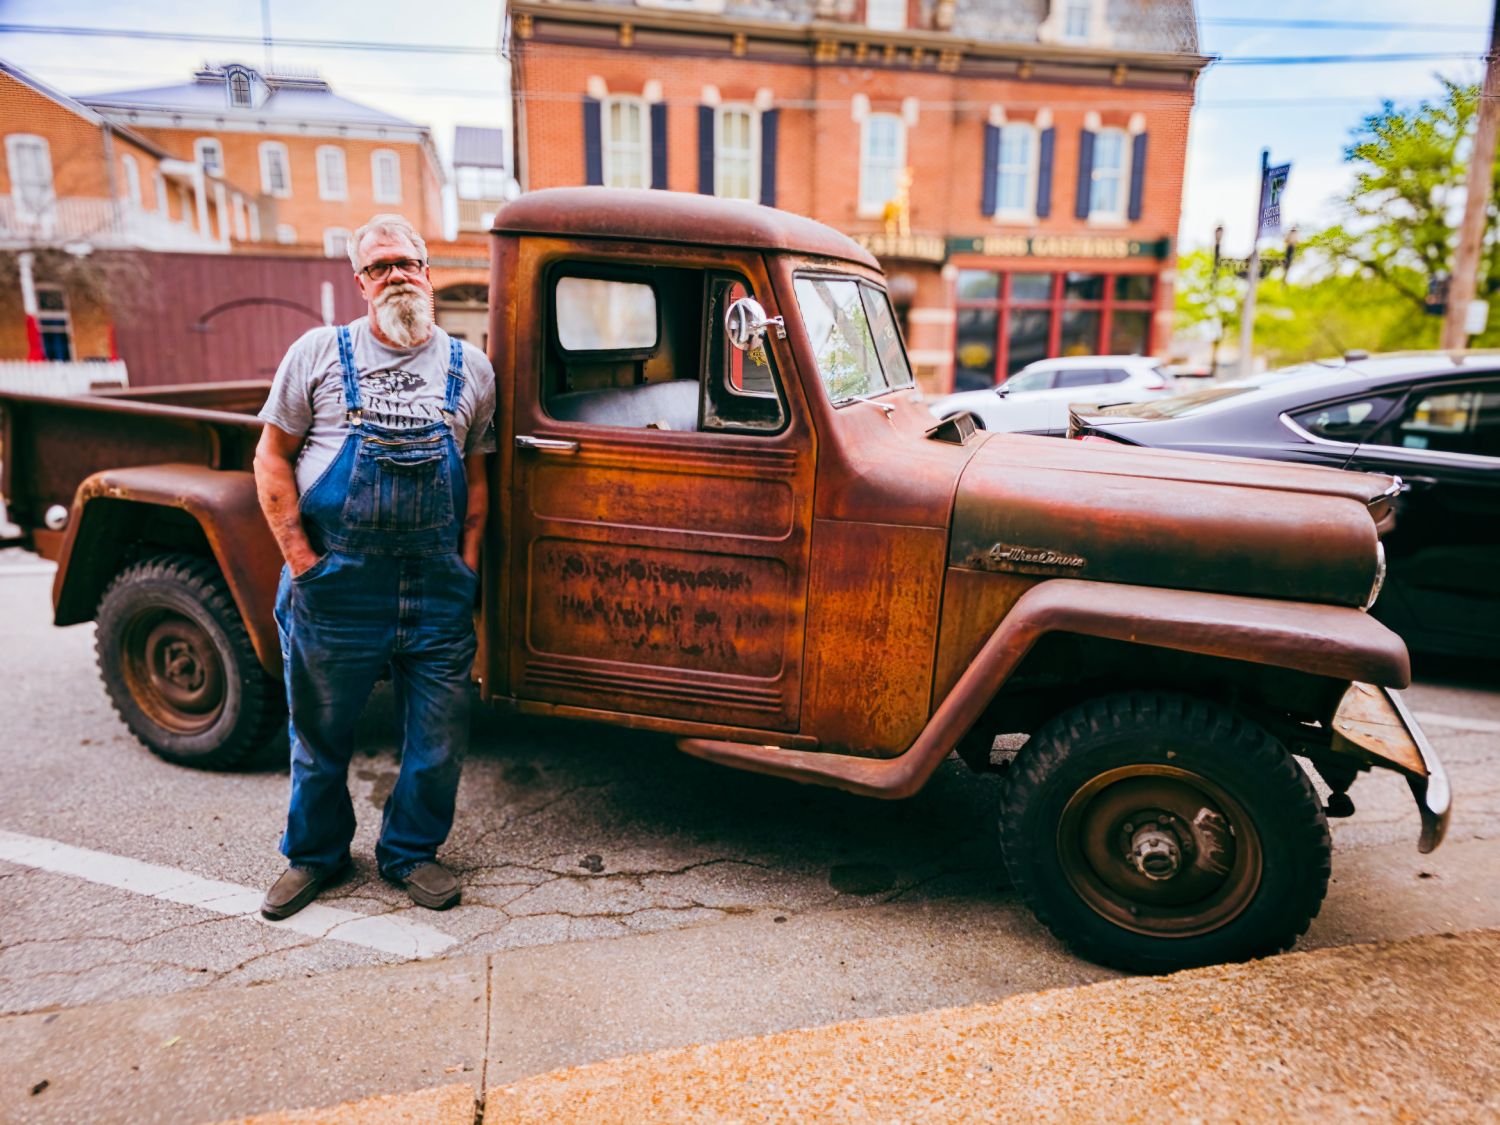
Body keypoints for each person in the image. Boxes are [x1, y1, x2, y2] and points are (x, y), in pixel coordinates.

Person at [253, 213, 496, 919]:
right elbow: (271, 457)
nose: (396, 275)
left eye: (407, 262)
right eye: (380, 265)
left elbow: (477, 486)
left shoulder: (470, 368)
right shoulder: (319, 354)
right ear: (359, 281)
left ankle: (410, 851)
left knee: (440, 736)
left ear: (428, 270)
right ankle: (316, 856)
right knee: (320, 735)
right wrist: (302, 562)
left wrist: (466, 571)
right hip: (337, 586)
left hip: (436, 589)